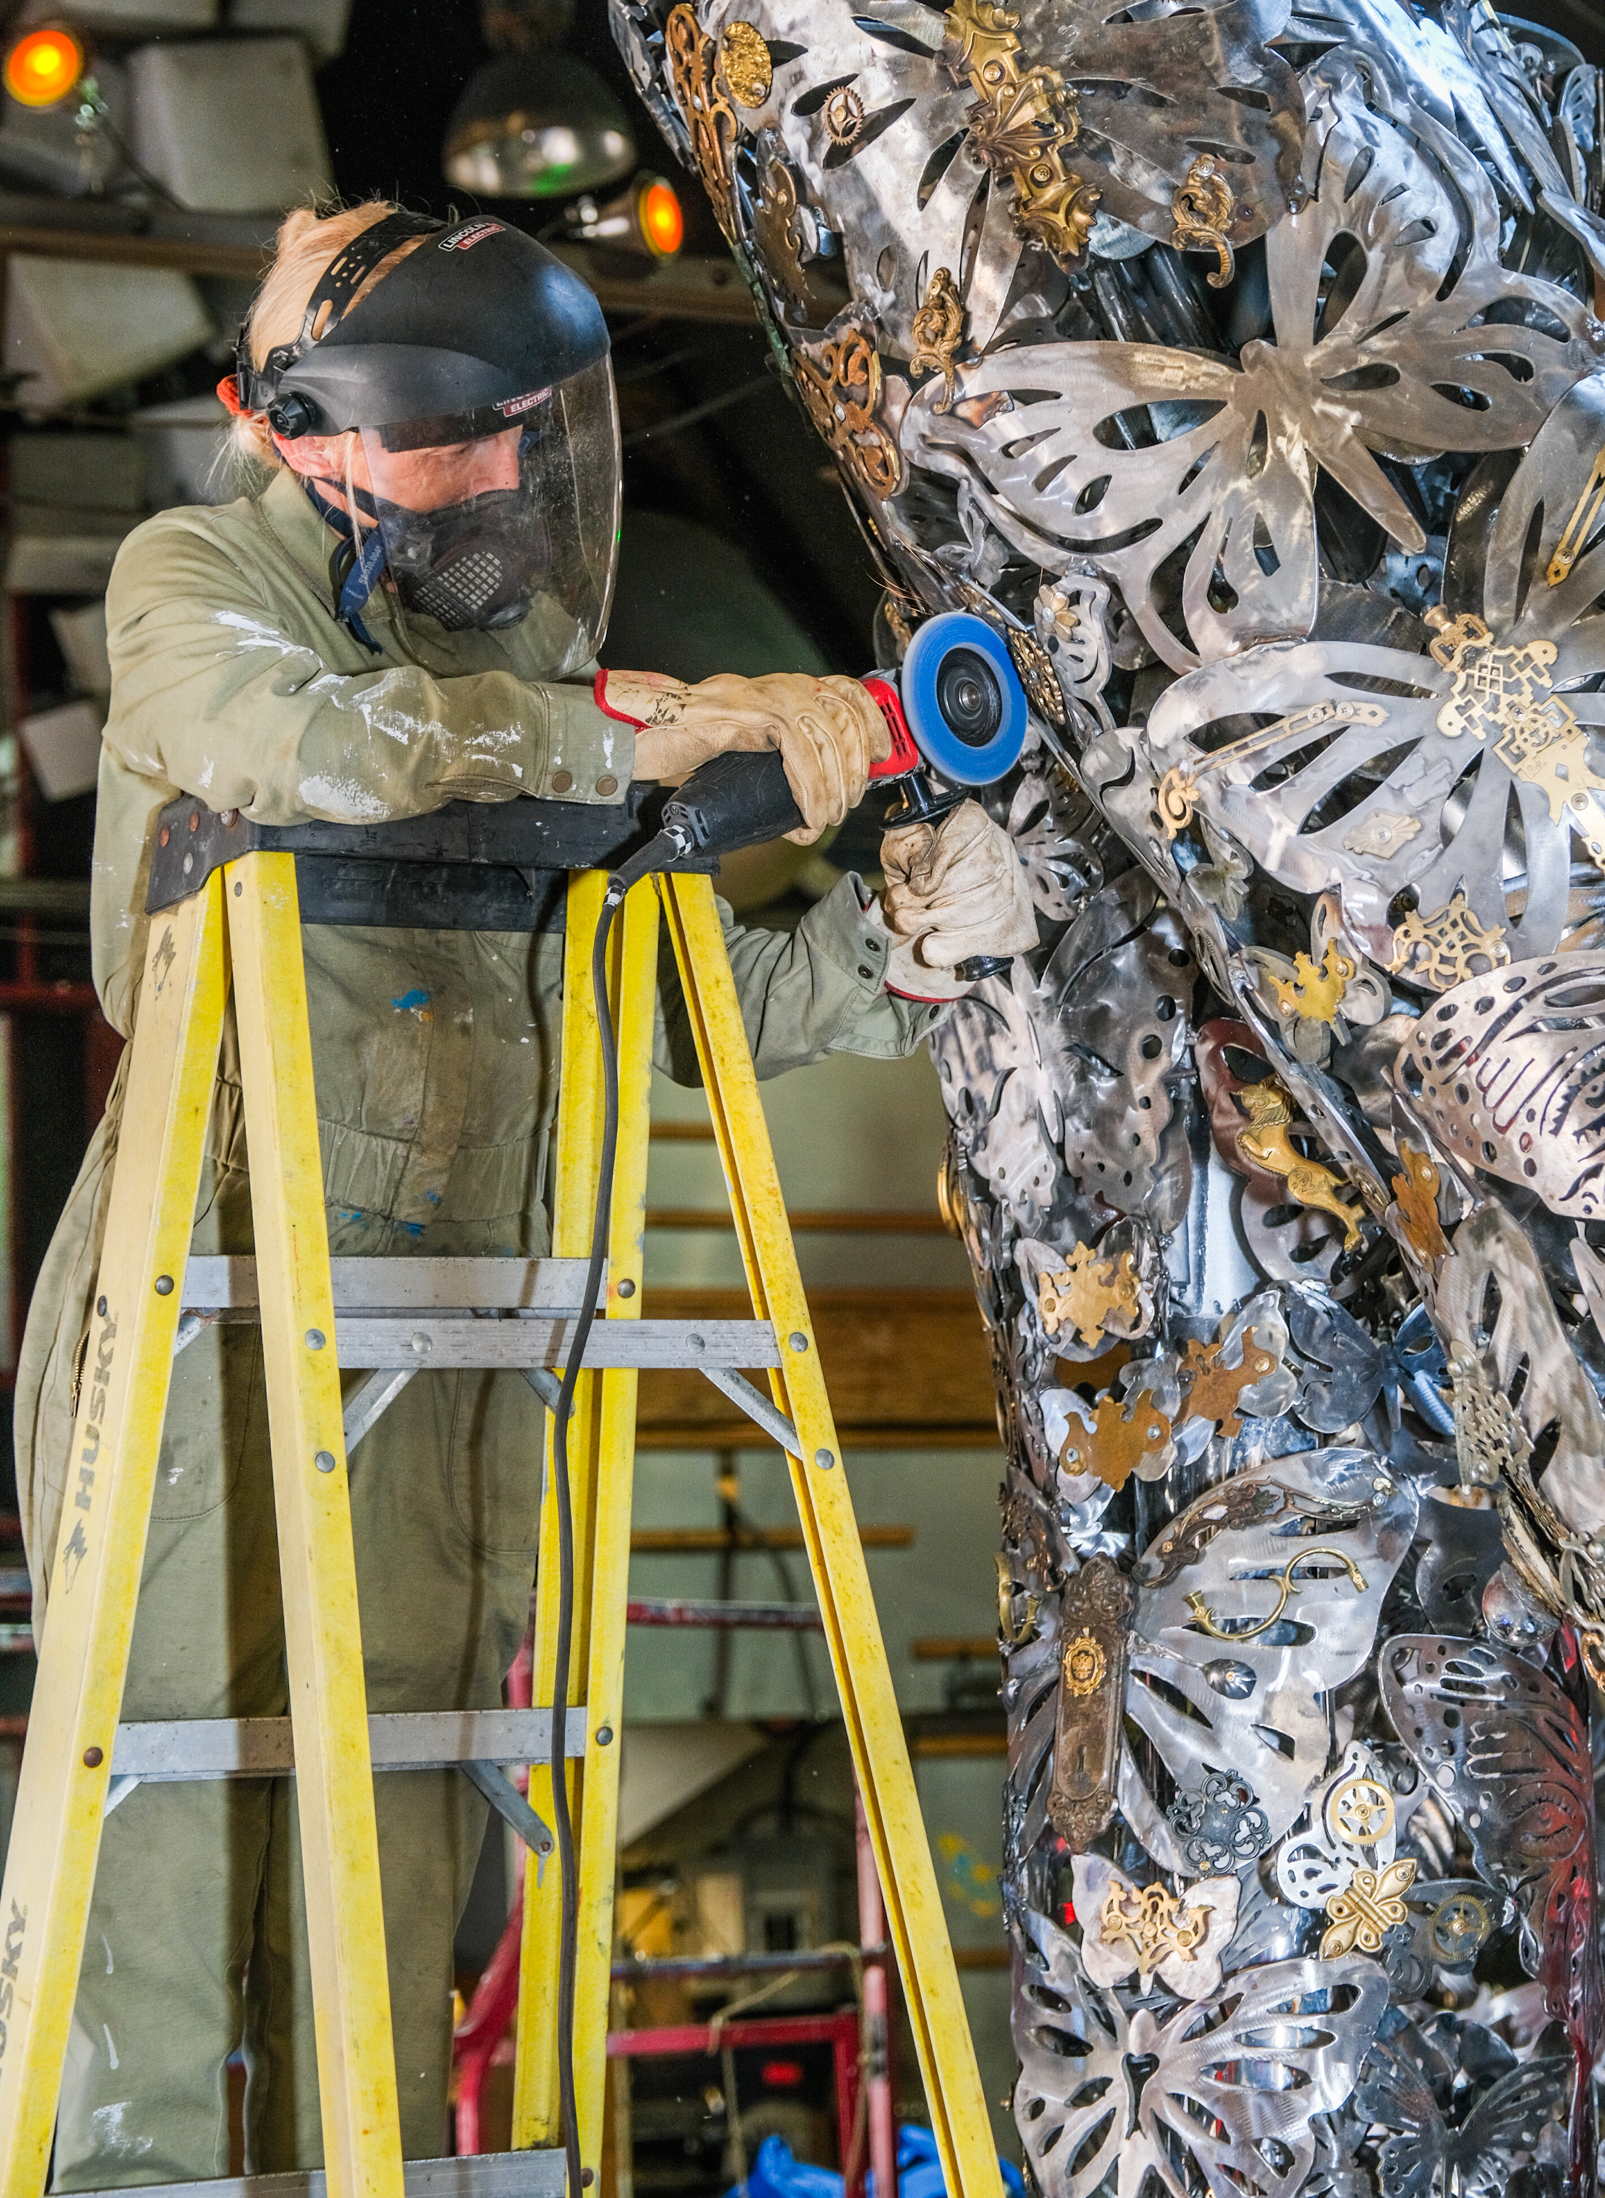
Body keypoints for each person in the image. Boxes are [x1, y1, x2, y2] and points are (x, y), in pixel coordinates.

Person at [15, 202, 1037, 2188]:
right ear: (308, 425)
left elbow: (670, 994)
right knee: (156, 1844)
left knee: (396, 1903)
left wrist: (897, 943)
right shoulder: (198, 580)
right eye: (454, 428)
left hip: (462, 1344)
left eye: (525, 429)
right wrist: (648, 726)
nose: (502, 475)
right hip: (203, 1332)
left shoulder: (535, 660)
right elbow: (313, 751)